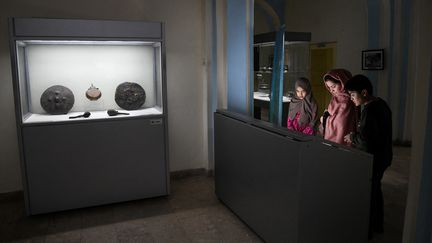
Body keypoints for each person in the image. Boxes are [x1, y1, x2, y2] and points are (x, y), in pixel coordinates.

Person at [343, 74, 393, 239]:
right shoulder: (381, 103)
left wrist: (352, 137)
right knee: (375, 190)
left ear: (364, 92)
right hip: (384, 156)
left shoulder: (370, 110)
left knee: (370, 193)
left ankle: (368, 229)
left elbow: (366, 142)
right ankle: (377, 225)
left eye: (352, 95)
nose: (351, 99)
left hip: (375, 158)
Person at [320, 69, 357, 145]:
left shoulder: (347, 100)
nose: (331, 90)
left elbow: (340, 123)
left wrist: (325, 118)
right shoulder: (336, 97)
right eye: (329, 87)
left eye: (333, 86)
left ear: (342, 82)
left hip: (341, 137)